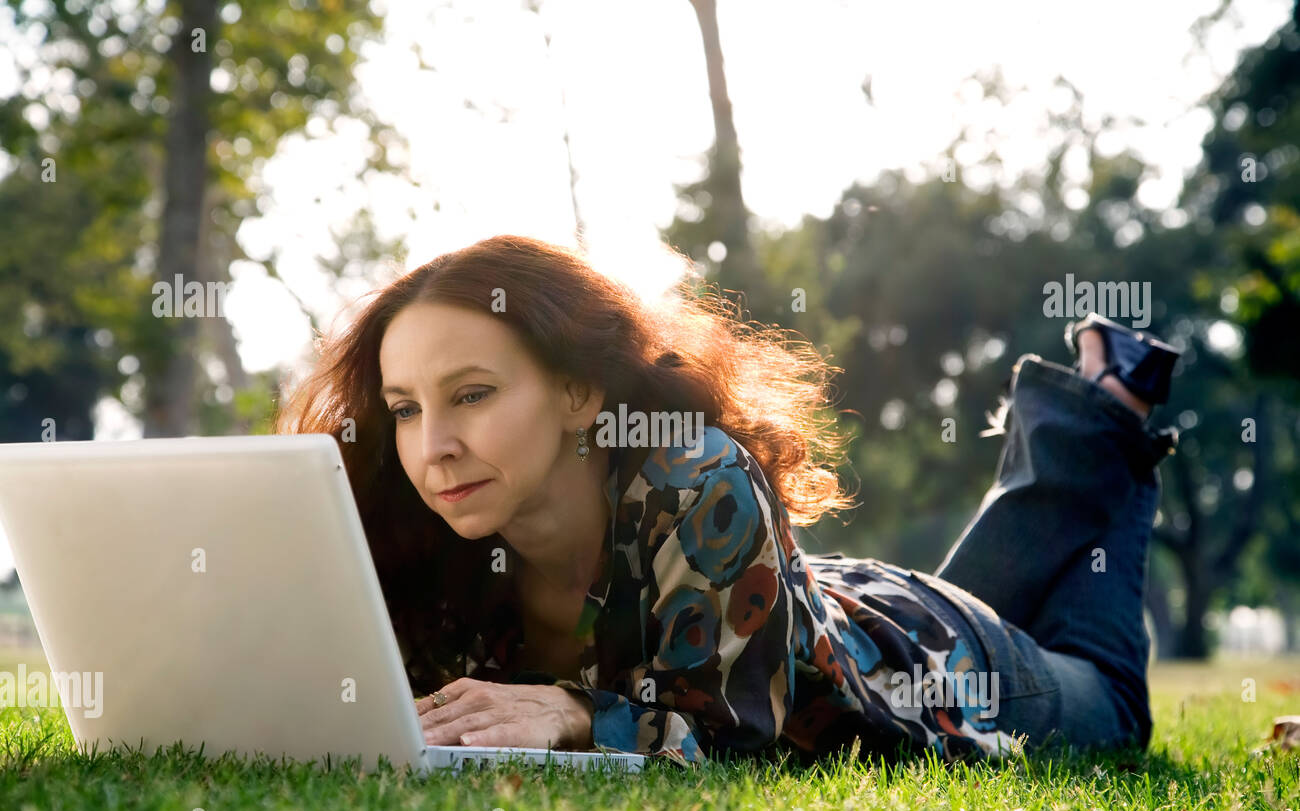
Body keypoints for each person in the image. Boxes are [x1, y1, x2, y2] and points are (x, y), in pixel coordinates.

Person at [273, 235, 1181, 769]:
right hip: (830, 608)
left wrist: (584, 713)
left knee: (1108, 704)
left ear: (580, 394)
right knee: (1021, 570)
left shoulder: (692, 474)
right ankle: (1089, 413)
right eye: (404, 410)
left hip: (928, 664)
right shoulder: (417, 532)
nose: (433, 446)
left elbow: (749, 733)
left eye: (472, 394)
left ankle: (1111, 414)